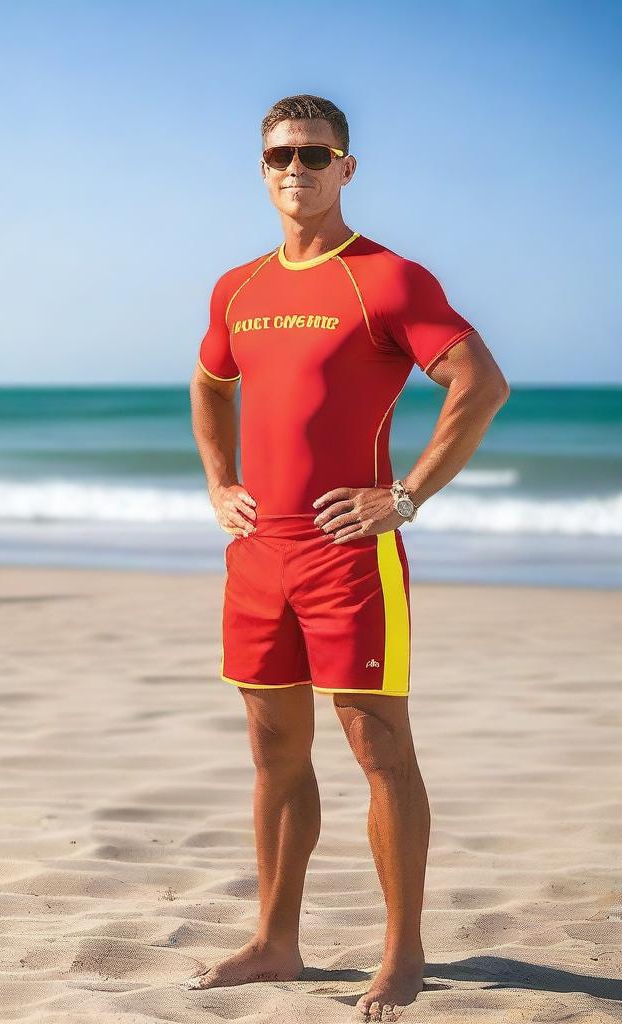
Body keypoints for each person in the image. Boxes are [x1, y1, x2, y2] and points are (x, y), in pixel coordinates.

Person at [186, 94, 510, 1022]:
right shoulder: (237, 288)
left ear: (346, 168)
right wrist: (219, 484)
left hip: (347, 557)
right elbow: (210, 385)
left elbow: (479, 384)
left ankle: (402, 952)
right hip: (258, 554)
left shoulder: (388, 278)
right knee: (274, 751)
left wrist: (404, 497)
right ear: (262, 170)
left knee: (379, 750)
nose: (298, 170)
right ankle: (275, 941)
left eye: (316, 154)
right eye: (281, 156)